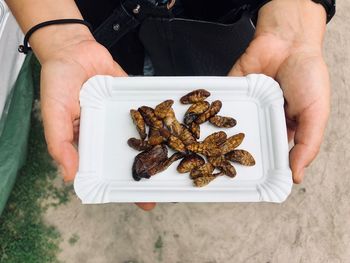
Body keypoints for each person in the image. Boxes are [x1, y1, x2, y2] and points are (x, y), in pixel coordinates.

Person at [5, 0, 333, 211]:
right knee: (115, 131)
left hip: (217, 31)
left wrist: (295, 24)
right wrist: (56, 30)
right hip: (96, 34)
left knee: (209, 100)